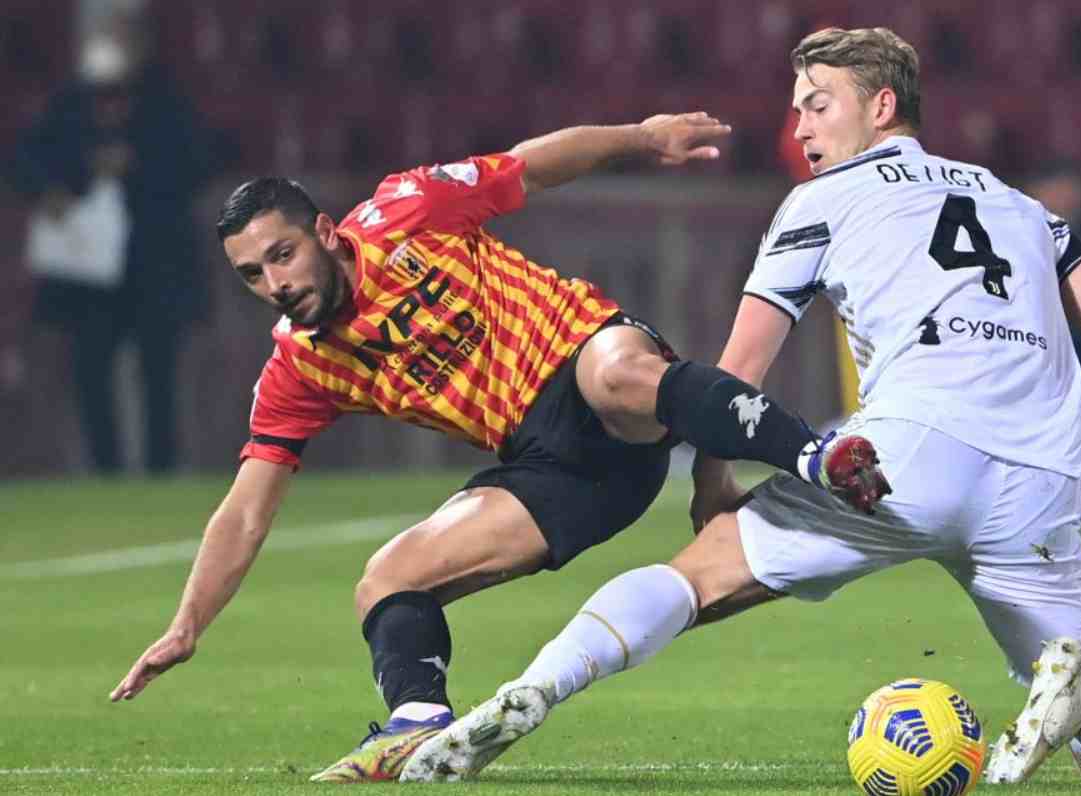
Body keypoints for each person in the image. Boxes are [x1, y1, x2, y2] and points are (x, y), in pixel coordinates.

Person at [400, 27, 1081, 786]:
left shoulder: (821, 201)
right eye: (797, 112)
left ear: (881, 105)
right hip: (1039, 483)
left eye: (818, 105)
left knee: (696, 580)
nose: (802, 130)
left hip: (903, 459)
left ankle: (536, 688)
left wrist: (712, 481)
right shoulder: (1022, 205)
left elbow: (735, 375)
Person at [106, 112, 890, 782]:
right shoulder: (299, 367)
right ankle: (417, 717)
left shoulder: (406, 209)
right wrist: (188, 626)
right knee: (386, 580)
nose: (273, 283)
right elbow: (245, 512)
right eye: (251, 275)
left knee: (619, 373)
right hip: (555, 471)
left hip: (583, 359)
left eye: (281, 256)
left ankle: (816, 457)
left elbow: (533, 165)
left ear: (323, 232)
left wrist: (641, 136)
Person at [8, 22, 213, 474]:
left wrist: (137, 167)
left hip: (154, 269)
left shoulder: (165, 106)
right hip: (88, 278)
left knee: (158, 376)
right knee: (91, 377)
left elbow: (199, 163)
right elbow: (23, 162)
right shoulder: (66, 108)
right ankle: (106, 472)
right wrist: (59, 188)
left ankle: (163, 470)